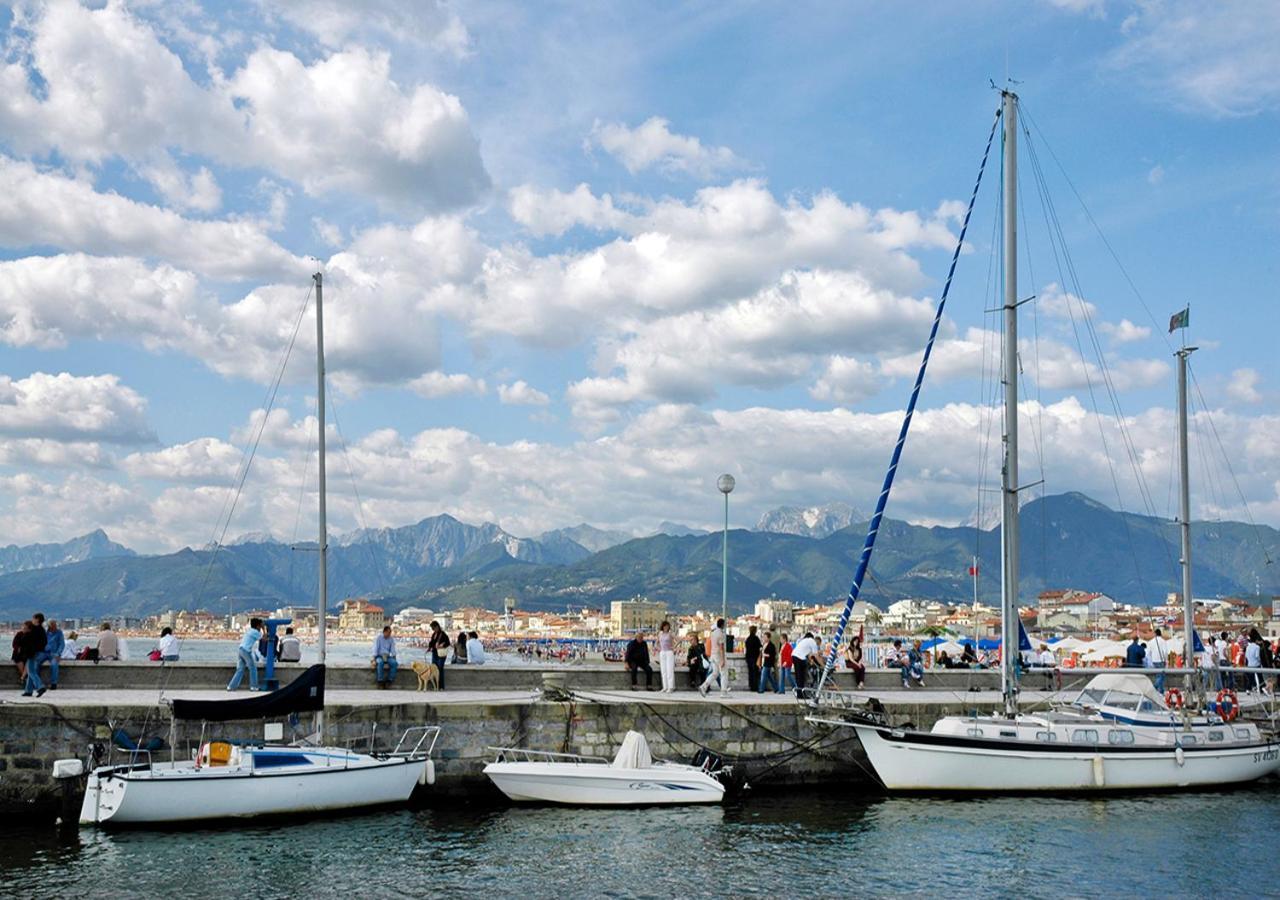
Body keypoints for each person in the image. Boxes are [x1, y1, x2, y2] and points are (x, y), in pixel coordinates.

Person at [227, 617, 263, 691]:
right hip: (246, 651)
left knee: (240, 669)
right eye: (260, 625)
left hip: (241, 650)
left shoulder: (249, 630)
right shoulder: (255, 632)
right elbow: (264, 638)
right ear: (257, 626)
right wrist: (264, 628)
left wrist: (260, 627)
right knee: (253, 668)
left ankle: (231, 686)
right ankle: (254, 686)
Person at [700, 619, 729, 696]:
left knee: (715, 673)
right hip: (719, 656)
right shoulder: (721, 634)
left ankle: (704, 686)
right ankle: (724, 692)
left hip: (713, 656)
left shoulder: (713, 633)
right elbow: (722, 648)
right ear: (722, 625)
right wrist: (723, 660)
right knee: (723, 673)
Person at [20, 616, 48, 697]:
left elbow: (27, 641)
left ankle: (40, 687)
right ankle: (28, 691)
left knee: (31, 671)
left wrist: (25, 632)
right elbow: (44, 642)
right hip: (36, 652)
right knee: (30, 671)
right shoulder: (41, 629)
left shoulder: (35, 629)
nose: (32, 620)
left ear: (37, 619)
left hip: (32, 653)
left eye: (33, 618)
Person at [428, 621, 450, 690]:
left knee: (440, 669)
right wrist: (430, 648)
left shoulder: (443, 634)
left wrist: (442, 645)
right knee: (434, 669)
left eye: (433, 628)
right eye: (432, 628)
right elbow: (431, 643)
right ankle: (435, 686)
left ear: (437, 627)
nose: (433, 630)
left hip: (441, 654)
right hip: (434, 653)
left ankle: (441, 686)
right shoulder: (434, 634)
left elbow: (448, 642)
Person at [656, 621, 676, 692]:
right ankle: (665, 687)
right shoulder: (660, 634)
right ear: (662, 626)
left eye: (667, 626)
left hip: (669, 652)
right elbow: (657, 642)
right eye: (665, 626)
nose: (666, 627)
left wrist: (673, 647)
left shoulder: (670, 634)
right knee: (663, 670)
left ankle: (670, 687)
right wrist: (659, 649)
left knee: (669, 669)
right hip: (662, 652)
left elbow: (677, 640)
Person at [1148, 627, 1168, 692]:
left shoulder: (1151, 642)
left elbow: (1149, 653)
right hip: (1161, 660)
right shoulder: (1163, 641)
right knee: (1161, 676)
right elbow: (1165, 652)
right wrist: (1166, 660)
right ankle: (1154, 687)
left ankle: (1161, 691)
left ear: (1155, 634)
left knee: (1158, 676)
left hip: (1154, 661)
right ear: (1160, 634)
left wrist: (1150, 661)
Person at [744, 625, 762, 692]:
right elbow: (760, 646)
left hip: (748, 657)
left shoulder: (748, 639)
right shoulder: (756, 639)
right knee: (755, 673)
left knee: (750, 672)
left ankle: (751, 686)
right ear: (755, 631)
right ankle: (755, 687)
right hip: (755, 657)